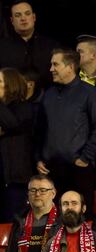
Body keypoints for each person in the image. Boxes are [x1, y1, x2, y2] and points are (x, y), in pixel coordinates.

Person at [36, 49, 96, 209]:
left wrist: (85, 158)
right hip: (52, 171)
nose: (50, 69)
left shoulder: (89, 93)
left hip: (79, 170)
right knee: (55, 221)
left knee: (83, 219)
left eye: (55, 64)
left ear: (70, 67)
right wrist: (39, 158)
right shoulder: (48, 94)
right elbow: (40, 130)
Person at [0, 67, 35, 222]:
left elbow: (12, 123)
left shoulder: (23, 107)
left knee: (12, 223)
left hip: (16, 180)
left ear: (10, 84)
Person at [0, 0, 59, 90]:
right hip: (11, 100)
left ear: (34, 17)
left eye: (27, 14)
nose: (23, 18)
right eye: (18, 15)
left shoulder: (51, 46)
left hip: (46, 99)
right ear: (12, 21)